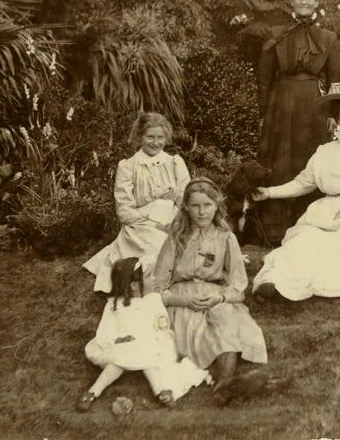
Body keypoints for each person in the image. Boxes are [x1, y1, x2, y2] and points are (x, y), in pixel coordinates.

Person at [251, 80, 340, 302]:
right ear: (337, 120)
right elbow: (302, 184)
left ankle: (323, 284)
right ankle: (275, 282)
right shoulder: (325, 151)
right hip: (324, 211)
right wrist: (269, 193)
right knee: (305, 242)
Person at [153, 178, 267, 406]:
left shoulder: (226, 237)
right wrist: (184, 300)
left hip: (216, 296)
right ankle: (230, 386)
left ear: (217, 206)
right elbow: (158, 288)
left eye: (207, 205)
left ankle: (223, 388)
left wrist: (220, 297)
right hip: (182, 299)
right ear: (186, 207)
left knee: (227, 322)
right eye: (195, 206)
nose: (202, 212)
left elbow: (238, 287)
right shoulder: (176, 238)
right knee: (197, 331)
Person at [257, 0, 340, 244]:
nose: (304, 1)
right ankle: (275, 229)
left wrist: (333, 114)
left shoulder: (328, 38)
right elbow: (264, 77)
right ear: (291, 1)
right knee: (279, 161)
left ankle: (309, 227)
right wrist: (263, 112)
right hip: (280, 105)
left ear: (317, 2)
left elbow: (335, 79)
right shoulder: (275, 34)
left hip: (312, 107)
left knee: (310, 160)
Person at [76, 257, 210, 411]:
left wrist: (191, 301)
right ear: (134, 285)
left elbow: (163, 321)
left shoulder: (153, 299)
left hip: (152, 343)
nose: (153, 278)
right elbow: (106, 329)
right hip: (124, 346)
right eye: (148, 276)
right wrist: (118, 339)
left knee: (147, 356)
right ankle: (93, 391)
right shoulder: (115, 305)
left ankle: (160, 390)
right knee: (118, 360)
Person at [83, 113, 190, 293]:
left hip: (174, 218)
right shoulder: (128, 166)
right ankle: (162, 288)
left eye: (160, 137)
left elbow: (185, 198)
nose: (155, 142)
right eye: (150, 137)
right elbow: (124, 210)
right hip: (143, 223)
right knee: (160, 249)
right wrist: (155, 224)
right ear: (140, 136)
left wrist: (177, 221)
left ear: (166, 138)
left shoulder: (175, 163)